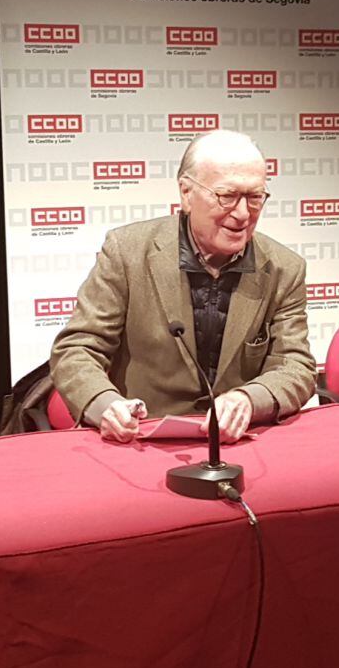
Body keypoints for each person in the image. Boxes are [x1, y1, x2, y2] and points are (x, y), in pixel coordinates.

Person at [50, 129, 316, 443]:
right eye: (227, 196)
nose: (243, 213)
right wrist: (106, 405)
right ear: (186, 193)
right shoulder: (127, 251)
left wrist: (249, 399)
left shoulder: (285, 268)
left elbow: (295, 364)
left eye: (255, 197)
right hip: (143, 439)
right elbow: (77, 349)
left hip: (240, 442)